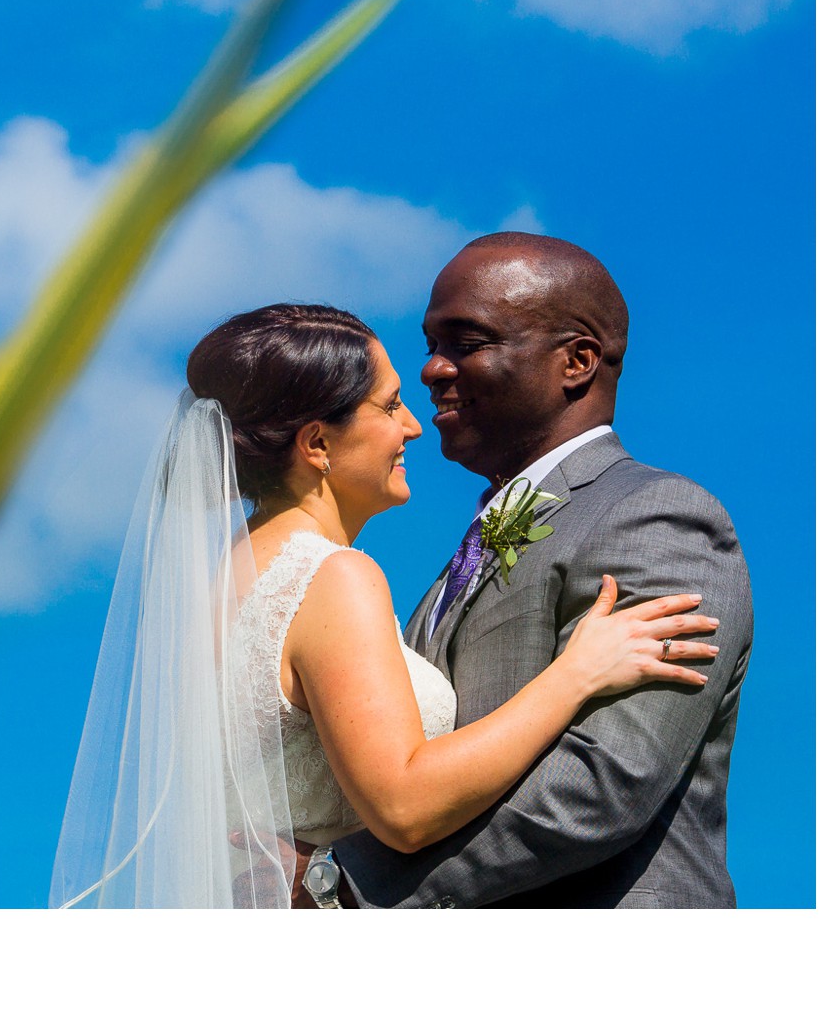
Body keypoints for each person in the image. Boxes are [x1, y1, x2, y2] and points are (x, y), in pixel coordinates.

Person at [49, 292, 722, 909]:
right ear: (316, 444)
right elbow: (402, 804)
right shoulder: (332, 577)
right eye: (388, 405)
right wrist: (577, 674)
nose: (413, 427)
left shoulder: (216, 587)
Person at [308, 233, 754, 908]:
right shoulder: (451, 569)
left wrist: (341, 891)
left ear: (576, 361)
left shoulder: (659, 517)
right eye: (432, 342)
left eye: (466, 341)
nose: (430, 369)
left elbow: (604, 781)